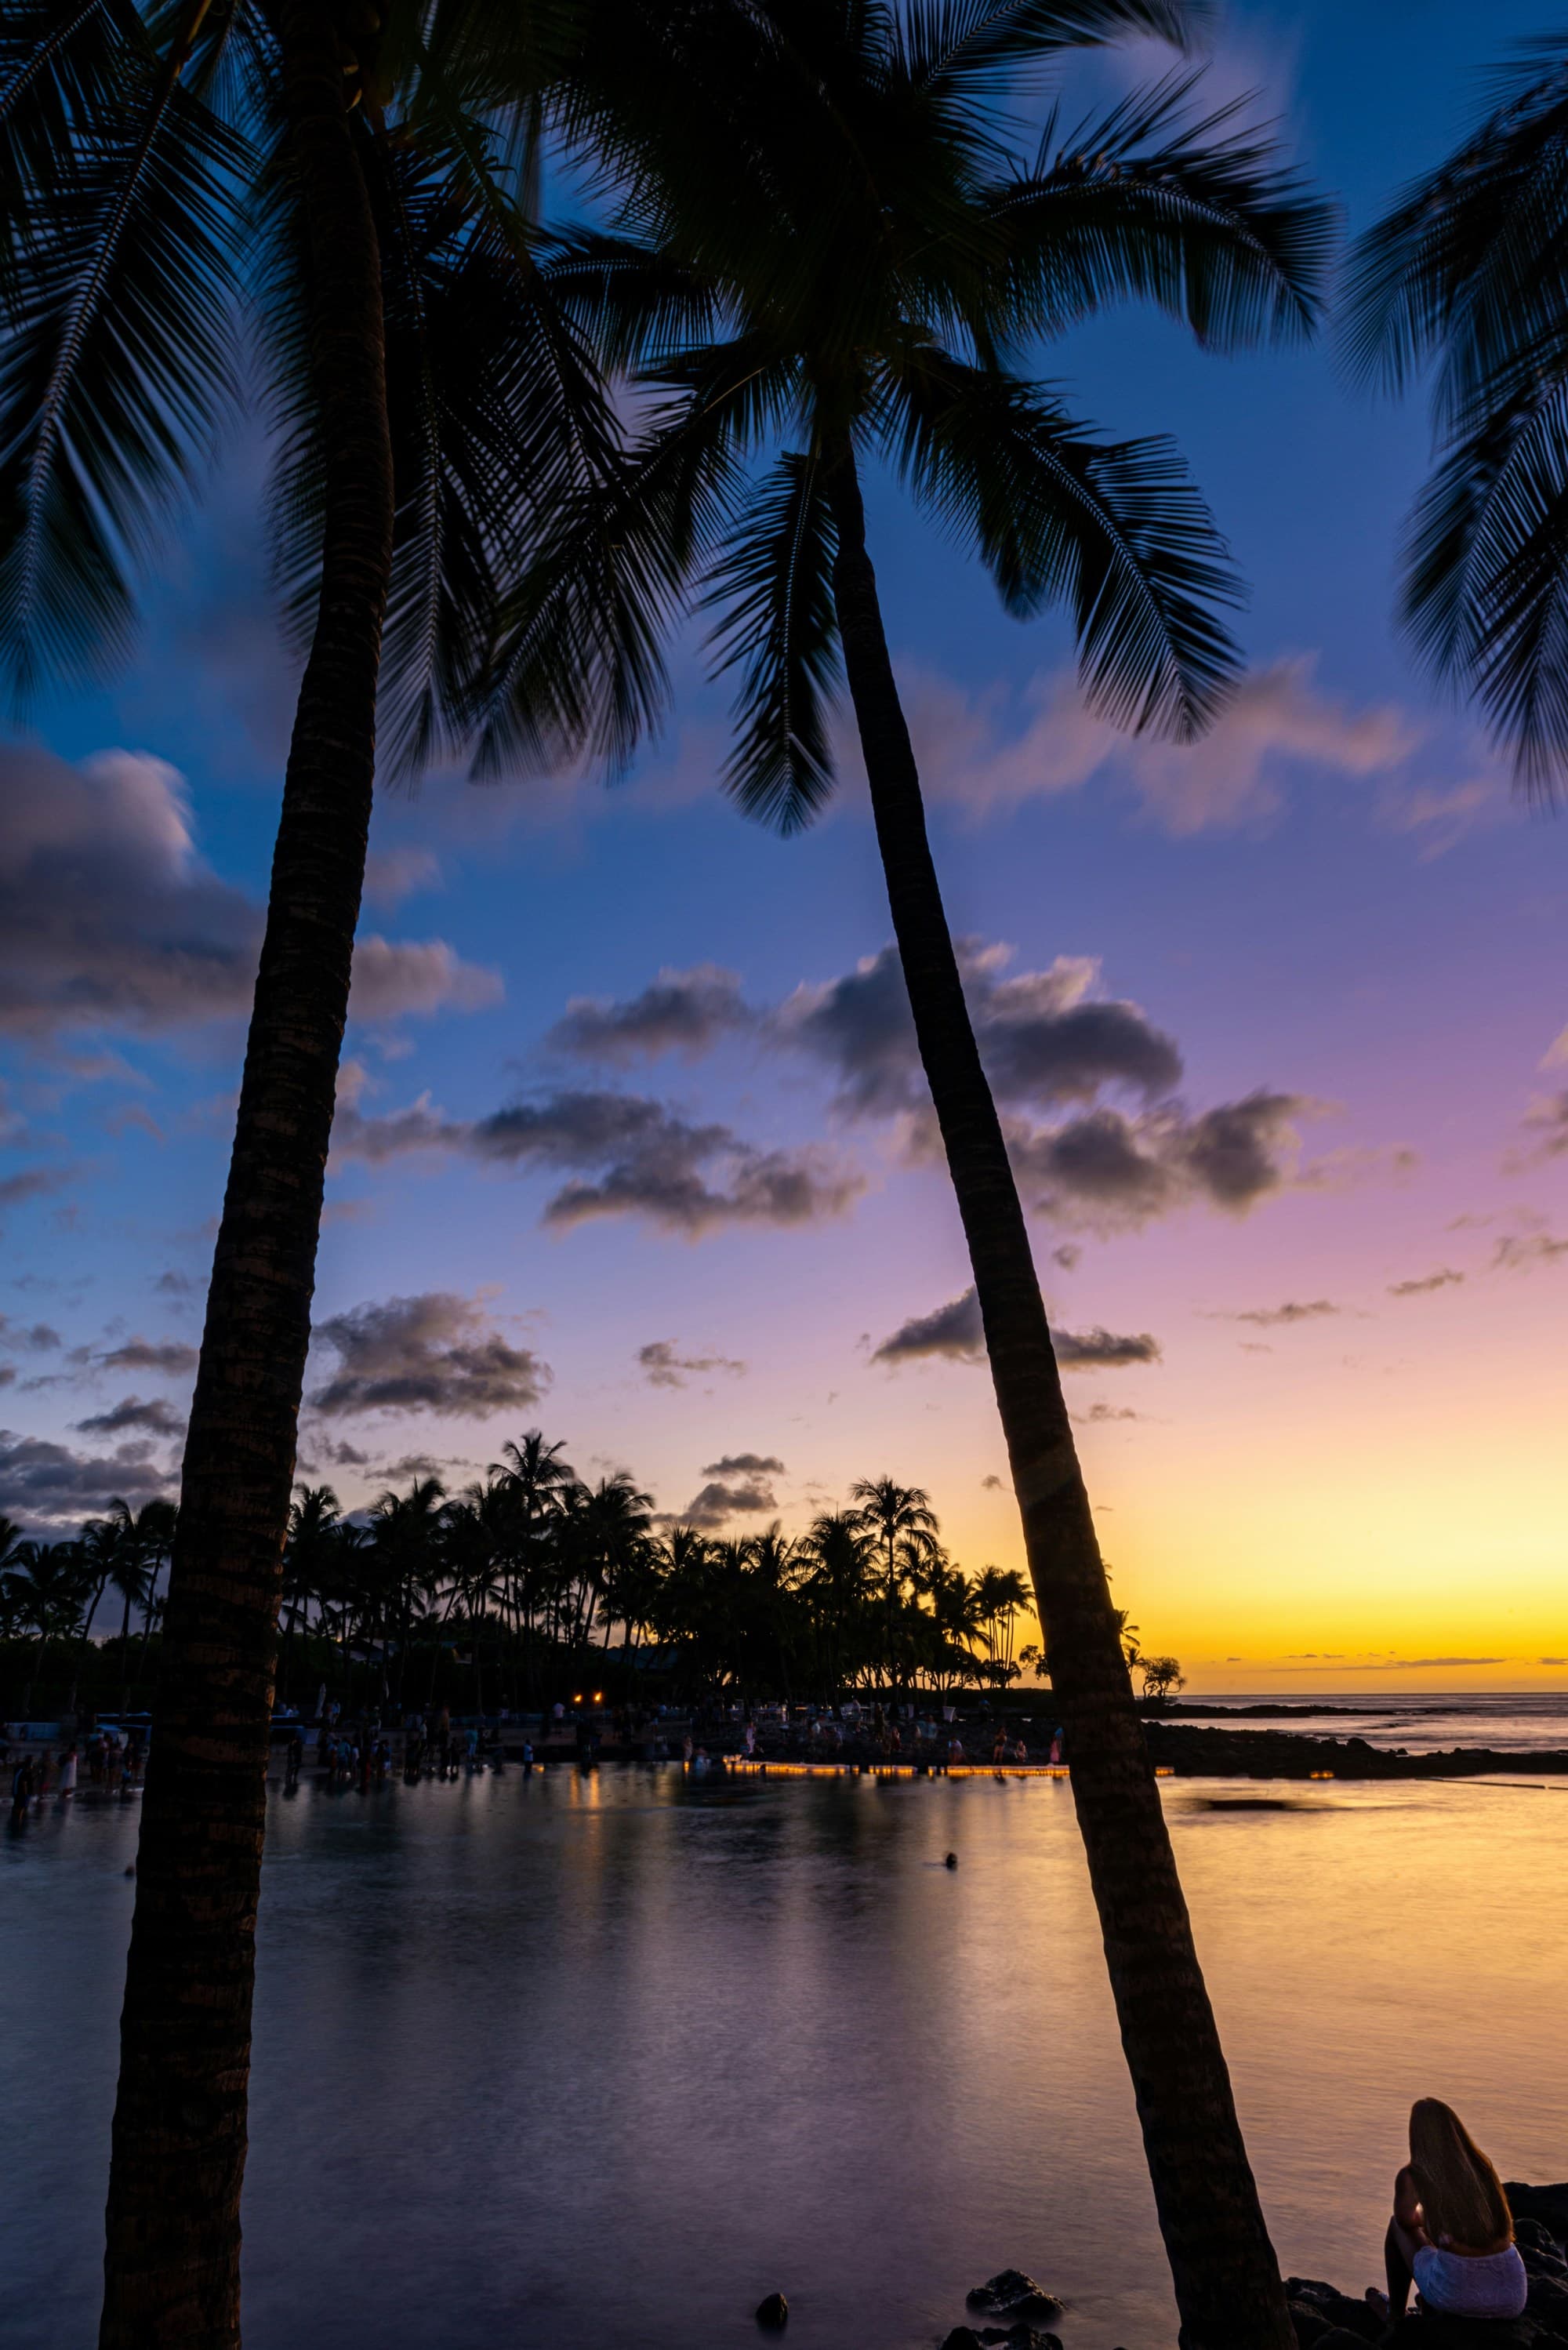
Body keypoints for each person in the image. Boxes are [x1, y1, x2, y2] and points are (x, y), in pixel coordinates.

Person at [1367, 2099, 1528, 2328]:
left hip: (1458, 2297)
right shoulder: (1481, 2167)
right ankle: (1428, 2306)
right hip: (1511, 2297)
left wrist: (1429, 2218)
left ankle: (1396, 2315)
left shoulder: (1413, 2175)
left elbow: (1406, 2221)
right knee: (1447, 2239)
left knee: (1397, 2226)